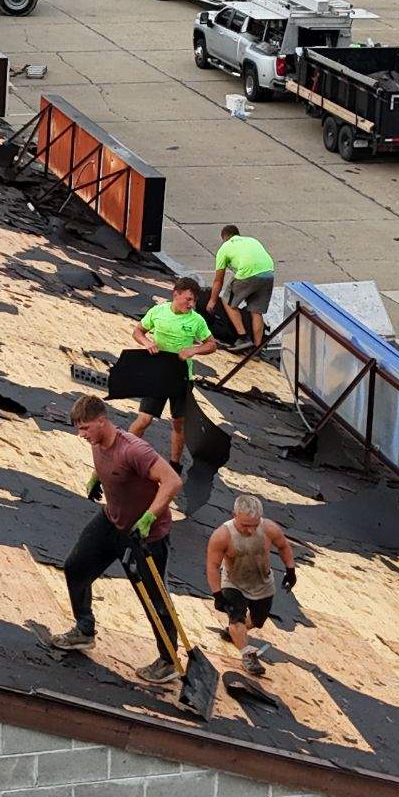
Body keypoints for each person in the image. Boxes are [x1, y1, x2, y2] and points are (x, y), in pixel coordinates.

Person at [50, 394, 185, 680]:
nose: (81, 434)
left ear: (102, 421)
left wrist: (149, 518)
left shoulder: (135, 450)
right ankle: (84, 630)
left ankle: (168, 659)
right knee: (76, 567)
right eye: (79, 429)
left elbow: (172, 481)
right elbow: (108, 464)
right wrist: (97, 478)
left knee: (153, 598)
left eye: (85, 428)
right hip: (112, 520)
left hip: (145, 535)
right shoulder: (98, 442)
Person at [131, 275, 223, 467]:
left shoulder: (196, 321)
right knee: (145, 419)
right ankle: (124, 450)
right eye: (188, 299)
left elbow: (212, 345)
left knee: (179, 424)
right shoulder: (158, 312)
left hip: (182, 377)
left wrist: (193, 350)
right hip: (157, 374)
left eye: (194, 301)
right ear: (176, 294)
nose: (191, 304)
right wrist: (147, 343)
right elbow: (138, 331)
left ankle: (175, 464)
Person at [204, 494, 298, 675]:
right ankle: (247, 655)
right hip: (234, 582)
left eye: (254, 525)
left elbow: (284, 546)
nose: (250, 531)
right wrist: (217, 594)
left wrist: (291, 569)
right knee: (236, 616)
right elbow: (212, 565)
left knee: (257, 621)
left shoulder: (269, 528)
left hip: (262, 583)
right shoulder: (222, 536)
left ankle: (234, 632)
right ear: (234, 515)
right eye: (245, 525)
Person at [210, 226, 276, 350]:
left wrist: (212, 300)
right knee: (256, 312)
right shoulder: (252, 240)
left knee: (227, 300)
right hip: (268, 273)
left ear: (224, 238)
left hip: (248, 272)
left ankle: (243, 337)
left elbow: (218, 280)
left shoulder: (225, 247)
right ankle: (256, 349)